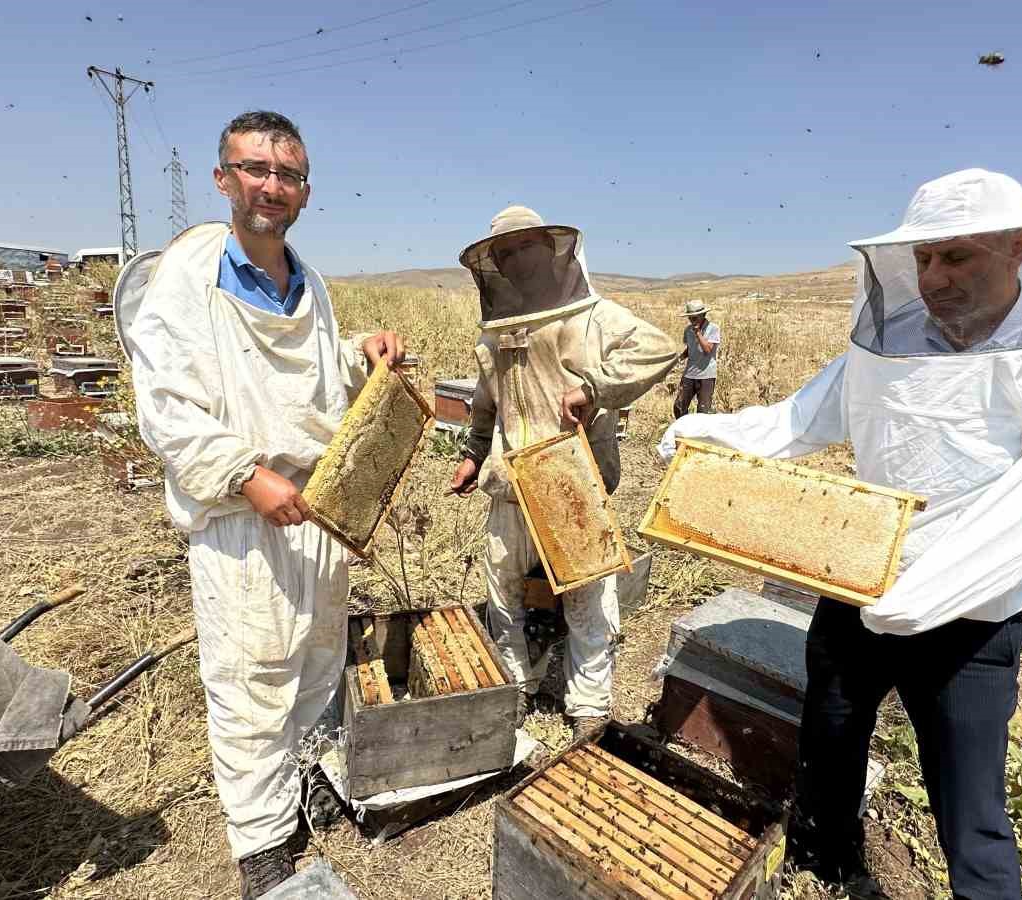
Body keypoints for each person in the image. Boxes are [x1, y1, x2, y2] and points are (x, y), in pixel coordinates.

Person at [659, 169, 1022, 900]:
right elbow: (799, 420)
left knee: (971, 804)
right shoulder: (886, 345)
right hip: (857, 581)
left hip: (970, 612)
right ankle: (824, 859)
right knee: (831, 732)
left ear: (1020, 246)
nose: (934, 277)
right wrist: (707, 434)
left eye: (957, 256)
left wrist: (928, 591)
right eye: (924, 259)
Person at [115, 110, 405, 900]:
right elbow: (167, 406)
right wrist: (245, 475)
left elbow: (310, 386)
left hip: (319, 510)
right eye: (255, 170)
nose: (271, 187)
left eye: (288, 175)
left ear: (305, 190)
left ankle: (304, 790)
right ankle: (262, 850)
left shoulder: (306, 279)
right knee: (251, 686)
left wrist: (361, 355)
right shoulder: (188, 277)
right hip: (244, 519)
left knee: (316, 664)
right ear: (224, 179)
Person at [449, 206, 681, 739]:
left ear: (548, 250)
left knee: (585, 597)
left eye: (524, 247)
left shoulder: (591, 317)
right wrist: (471, 453)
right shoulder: (494, 336)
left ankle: (589, 706)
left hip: (573, 483)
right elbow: (486, 406)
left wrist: (594, 389)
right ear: (495, 265)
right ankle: (514, 688)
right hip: (510, 485)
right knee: (505, 592)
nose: (516, 260)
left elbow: (659, 348)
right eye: (504, 254)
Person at [673, 299, 721, 417]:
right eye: (690, 318)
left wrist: (698, 333)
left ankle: (700, 433)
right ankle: (684, 429)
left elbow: (708, 350)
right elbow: (690, 349)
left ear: (703, 315)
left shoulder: (713, 328)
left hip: (706, 375)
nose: (691, 320)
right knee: (679, 406)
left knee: (703, 411)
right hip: (689, 373)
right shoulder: (688, 330)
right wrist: (679, 359)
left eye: (694, 317)